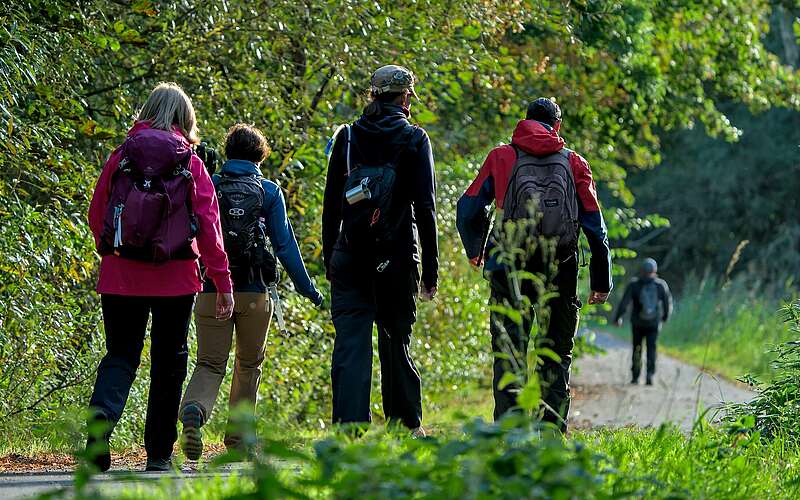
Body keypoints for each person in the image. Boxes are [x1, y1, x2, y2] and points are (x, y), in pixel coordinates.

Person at [86, 82, 234, 472]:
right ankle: (157, 455)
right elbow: (209, 227)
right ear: (186, 119)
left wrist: (117, 254)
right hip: (177, 278)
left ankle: (100, 424)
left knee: (121, 354)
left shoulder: (120, 158)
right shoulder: (192, 163)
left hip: (120, 275)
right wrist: (222, 283)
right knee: (169, 363)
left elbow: (96, 214)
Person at [456, 98, 612, 432]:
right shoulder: (575, 163)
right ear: (557, 125)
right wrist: (602, 280)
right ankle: (551, 432)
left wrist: (476, 250)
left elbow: (468, 209)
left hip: (507, 265)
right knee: (555, 351)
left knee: (510, 350)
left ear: (524, 121)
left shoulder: (501, 157)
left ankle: (511, 432)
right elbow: (595, 229)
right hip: (561, 266)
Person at [179, 124, 323, 459]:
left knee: (210, 363)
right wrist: (309, 290)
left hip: (213, 289)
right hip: (255, 293)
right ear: (261, 155)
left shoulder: (210, 184)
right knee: (249, 365)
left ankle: (195, 410)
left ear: (228, 152)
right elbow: (285, 247)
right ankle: (240, 440)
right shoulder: (269, 191)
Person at [322, 65, 438, 436]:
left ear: (371, 95)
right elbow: (426, 208)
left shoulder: (348, 137)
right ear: (406, 98)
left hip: (349, 254)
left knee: (351, 342)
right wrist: (431, 272)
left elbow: (331, 205)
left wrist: (330, 258)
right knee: (394, 339)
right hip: (397, 255)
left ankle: (348, 429)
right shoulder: (415, 139)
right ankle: (404, 425)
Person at [612, 258, 672, 385]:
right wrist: (665, 317)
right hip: (654, 324)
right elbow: (667, 303)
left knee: (637, 349)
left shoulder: (634, 284)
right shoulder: (661, 285)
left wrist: (618, 317)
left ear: (641, 271)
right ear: (654, 271)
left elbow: (624, 303)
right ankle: (650, 376)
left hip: (637, 323)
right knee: (652, 349)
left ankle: (635, 377)